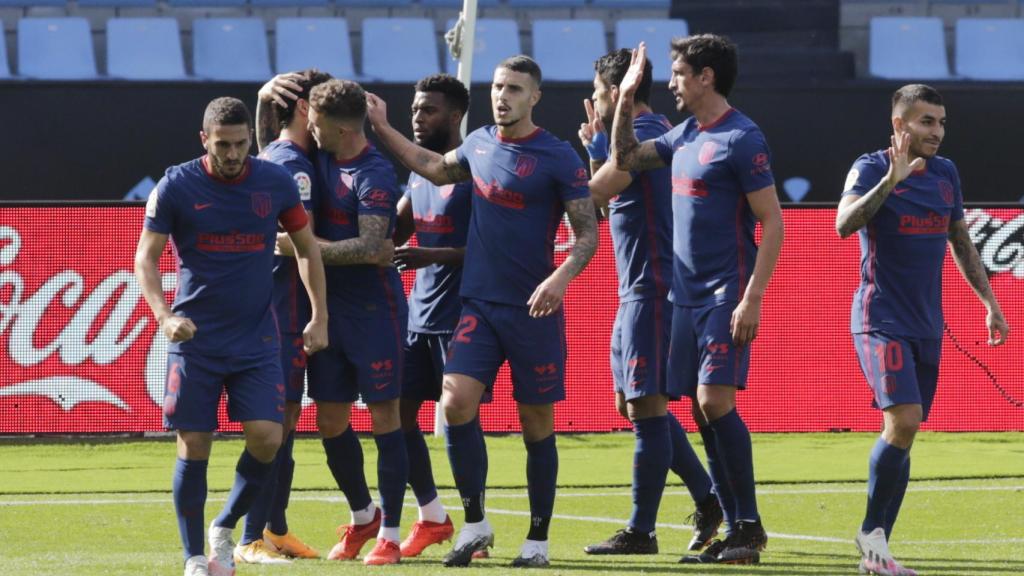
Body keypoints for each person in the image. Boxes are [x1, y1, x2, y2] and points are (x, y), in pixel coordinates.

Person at [365, 55, 599, 568]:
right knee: (454, 403)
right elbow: (430, 166)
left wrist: (559, 279)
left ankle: (537, 540)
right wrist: (380, 125)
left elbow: (587, 233)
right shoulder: (477, 144)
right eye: (497, 86)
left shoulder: (558, 157)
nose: (503, 96)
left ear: (534, 96)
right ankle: (474, 524)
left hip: (533, 311)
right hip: (479, 307)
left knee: (536, 422)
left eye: (514, 88)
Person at [134, 96, 329, 576]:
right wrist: (163, 316)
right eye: (223, 144)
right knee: (194, 444)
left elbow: (307, 249)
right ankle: (195, 558)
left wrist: (319, 315)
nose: (234, 153)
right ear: (205, 140)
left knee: (268, 437)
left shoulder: (274, 181)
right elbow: (146, 258)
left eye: (241, 144)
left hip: (256, 339)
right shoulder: (176, 185)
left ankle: (223, 525)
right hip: (195, 340)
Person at [611, 37, 784, 565]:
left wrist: (751, 299)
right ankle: (734, 529)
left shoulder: (742, 137)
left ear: (706, 77)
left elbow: (773, 222)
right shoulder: (683, 134)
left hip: (725, 293)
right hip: (683, 299)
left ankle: (748, 527)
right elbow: (622, 158)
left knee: (714, 403)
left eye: (680, 73)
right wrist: (623, 98)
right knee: (701, 411)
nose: (670, 83)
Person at [835, 84, 1009, 576]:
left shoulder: (946, 174)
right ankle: (870, 534)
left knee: (904, 433)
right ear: (899, 125)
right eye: (926, 121)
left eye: (941, 122)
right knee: (905, 419)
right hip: (879, 318)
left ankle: (878, 554)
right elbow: (842, 225)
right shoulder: (871, 167)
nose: (937, 131)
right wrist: (889, 181)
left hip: (928, 325)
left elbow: (961, 241)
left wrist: (990, 303)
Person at [578, 48, 723, 558]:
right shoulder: (648, 132)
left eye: (597, 93)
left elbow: (590, 195)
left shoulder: (647, 138)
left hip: (654, 286)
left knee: (646, 406)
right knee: (634, 404)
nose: (592, 103)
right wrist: (598, 147)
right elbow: (605, 201)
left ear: (615, 94)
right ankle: (709, 498)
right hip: (635, 286)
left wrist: (588, 154)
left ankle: (642, 530)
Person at [287, 78, 408, 566]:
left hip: (374, 313)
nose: (309, 131)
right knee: (330, 419)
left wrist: (304, 248)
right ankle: (364, 517)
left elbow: (374, 248)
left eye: (315, 125)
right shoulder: (316, 159)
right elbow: (269, 154)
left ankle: (393, 535)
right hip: (327, 314)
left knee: (385, 417)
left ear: (340, 128)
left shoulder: (375, 174)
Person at [219, 68, 333, 565]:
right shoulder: (294, 166)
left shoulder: (284, 158)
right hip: (279, 313)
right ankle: (250, 537)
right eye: (324, 103)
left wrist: (264, 100)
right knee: (274, 427)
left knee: (284, 426)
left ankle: (274, 527)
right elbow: (286, 240)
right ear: (307, 110)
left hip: (276, 312)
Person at [389, 73, 474, 558]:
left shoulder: (474, 171)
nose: (417, 118)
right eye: (415, 109)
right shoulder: (418, 172)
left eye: (429, 110)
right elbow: (397, 227)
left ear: (456, 115)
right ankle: (433, 515)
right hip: (417, 315)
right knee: (397, 415)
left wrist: (433, 256)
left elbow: (492, 248)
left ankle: (475, 524)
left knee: (459, 417)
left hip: (460, 315)